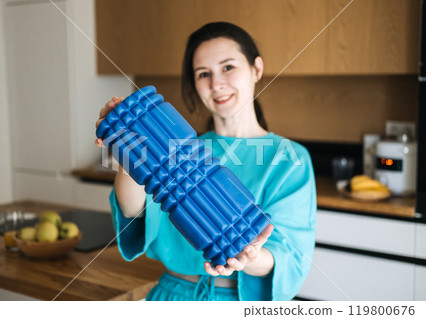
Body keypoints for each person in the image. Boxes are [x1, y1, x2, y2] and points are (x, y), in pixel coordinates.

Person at [95, 22, 316, 301]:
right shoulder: (178, 147)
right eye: (203, 74)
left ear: (256, 69)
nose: (216, 84)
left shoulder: (289, 157)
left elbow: (291, 255)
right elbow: (133, 210)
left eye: (228, 67)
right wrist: (128, 149)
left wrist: (250, 257)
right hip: (171, 297)